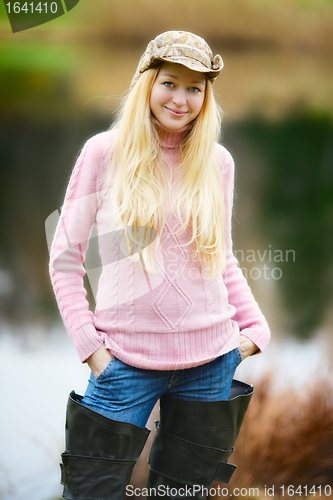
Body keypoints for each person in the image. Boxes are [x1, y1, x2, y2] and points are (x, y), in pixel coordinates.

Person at [49, 30, 270, 500]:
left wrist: (254, 328)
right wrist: (90, 347)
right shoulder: (103, 154)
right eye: (171, 82)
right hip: (122, 363)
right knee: (88, 493)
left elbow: (222, 255)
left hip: (210, 362)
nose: (181, 98)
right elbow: (66, 259)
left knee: (182, 495)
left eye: (195, 88)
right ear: (147, 82)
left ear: (206, 96)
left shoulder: (217, 162)